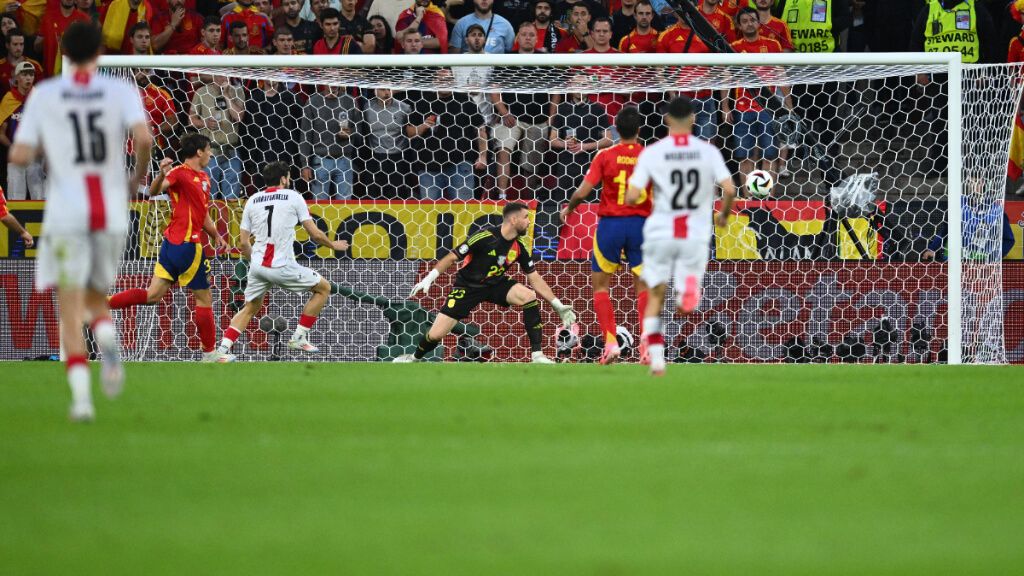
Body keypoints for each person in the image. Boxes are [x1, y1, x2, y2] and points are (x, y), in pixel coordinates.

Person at [10, 22, 153, 420]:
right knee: (94, 295)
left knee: (70, 305)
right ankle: (107, 339)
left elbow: (20, 155)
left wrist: (44, 149)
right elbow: (143, 140)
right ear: (100, 52)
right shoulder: (121, 90)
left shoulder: (46, 93)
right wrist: (136, 179)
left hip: (66, 213)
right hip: (109, 210)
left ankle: (82, 400)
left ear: (64, 52)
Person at [626, 95, 736, 377]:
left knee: (654, 295)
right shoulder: (707, 151)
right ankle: (688, 292)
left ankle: (657, 360)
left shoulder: (653, 152)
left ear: (666, 120)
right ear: (693, 119)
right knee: (686, 292)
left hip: (661, 231)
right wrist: (722, 215)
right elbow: (731, 189)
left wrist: (642, 197)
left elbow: (632, 194)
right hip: (695, 235)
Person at [396, 202, 577, 363]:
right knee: (435, 335)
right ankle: (414, 358)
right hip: (467, 287)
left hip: (495, 285)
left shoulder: (519, 247)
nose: (529, 222)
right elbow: (452, 257)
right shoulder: (484, 237)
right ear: (513, 220)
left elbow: (535, 278)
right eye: (525, 217)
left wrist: (557, 304)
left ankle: (537, 355)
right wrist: (429, 277)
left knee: (528, 296)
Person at [107, 132, 231, 360]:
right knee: (204, 299)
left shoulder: (204, 178)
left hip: (171, 245)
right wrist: (160, 174)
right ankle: (210, 353)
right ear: (199, 152)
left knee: (153, 295)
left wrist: (215, 234)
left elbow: (202, 213)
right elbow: (154, 192)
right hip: (188, 245)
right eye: (209, 149)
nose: (211, 154)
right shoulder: (178, 173)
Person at [215, 161, 350, 357]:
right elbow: (315, 234)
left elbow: (243, 243)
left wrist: (256, 264)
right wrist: (333, 245)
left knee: (250, 307)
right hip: (282, 266)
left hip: (258, 265)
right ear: (283, 179)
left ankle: (221, 351)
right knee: (323, 288)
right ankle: (299, 337)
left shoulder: (253, 200)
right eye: (288, 176)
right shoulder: (294, 197)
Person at [560, 107, 651, 364]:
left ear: (615, 130)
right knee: (643, 287)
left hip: (611, 225)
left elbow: (584, 189)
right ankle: (645, 345)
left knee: (601, 286)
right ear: (639, 130)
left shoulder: (605, 155)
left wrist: (570, 207)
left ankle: (610, 343)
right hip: (641, 226)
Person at [722, 7, 792, 183]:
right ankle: (748, 201)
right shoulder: (733, 48)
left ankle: (768, 200)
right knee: (745, 157)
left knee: (770, 155)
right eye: (744, 21)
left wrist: (789, 106)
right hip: (742, 109)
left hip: (768, 109)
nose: (749, 24)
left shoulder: (772, 45)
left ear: (759, 22)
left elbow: (781, 75)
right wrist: (725, 106)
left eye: (752, 20)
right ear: (739, 25)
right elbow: (726, 78)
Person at [491, 22, 557, 199]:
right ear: (517, 38)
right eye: (524, 34)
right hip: (511, 117)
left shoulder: (545, 60)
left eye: (531, 35)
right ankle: (502, 196)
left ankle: (529, 198)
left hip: (539, 119)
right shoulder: (506, 59)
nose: (528, 37)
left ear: (537, 39)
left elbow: (556, 91)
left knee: (531, 164)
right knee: (503, 148)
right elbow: (494, 90)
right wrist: (504, 112)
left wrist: (551, 118)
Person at [411, 79, 487, 200]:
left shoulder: (465, 100)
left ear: (453, 81)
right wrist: (423, 126)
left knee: (463, 210)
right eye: (440, 79)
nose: (444, 82)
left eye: (447, 79)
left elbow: (480, 129)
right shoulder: (423, 102)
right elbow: (409, 132)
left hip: (460, 164)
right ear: (434, 81)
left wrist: (483, 155)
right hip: (429, 166)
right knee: (428, 212)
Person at [549, 88, 613, 204]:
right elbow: (552, 140)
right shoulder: (562, 109)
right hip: (566, 165)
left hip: (590, 165)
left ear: (589, 87)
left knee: (591, 206)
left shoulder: (597, 109)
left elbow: (608, 140)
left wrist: (584, 146)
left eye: (583, 84)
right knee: (562, 205)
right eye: (576, 84)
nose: (579, 88)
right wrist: (565, 144)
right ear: (570, 87)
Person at [300, 83, 361, 199]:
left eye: (337, 79)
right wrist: (305, 164)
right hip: (321, 160)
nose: (334, 83)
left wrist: (350, 132)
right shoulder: (313, 102)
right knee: (320, 204)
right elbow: (305, 135)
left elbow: (360, 129)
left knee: (345, 206)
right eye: (331, 79)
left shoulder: (349, 101)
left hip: (344, 160)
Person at [188, 74, 244, 198]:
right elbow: (191, 120)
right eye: (220, 76)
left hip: (231, 151)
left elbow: (238, 116)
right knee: (207, 196)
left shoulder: (237, 91)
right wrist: (205, 123)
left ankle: (229, 217)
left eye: (226, 76)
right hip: (209, 152)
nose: (224, 79)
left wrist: (227, 96)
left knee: (231, 197)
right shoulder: (202, 92)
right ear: (213, 76)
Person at [1, 61, 43, 199]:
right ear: (17, 77)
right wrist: (13, 146)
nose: (29, 78)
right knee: (15, 198)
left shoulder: (39, 98)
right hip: (15, 156)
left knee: (39, 196)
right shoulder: (9, 99)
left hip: (35, 155)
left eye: (31, 74)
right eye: (24, 74)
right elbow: (1, 133)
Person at [364, 87, 414, 199]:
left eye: (389, 89)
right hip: (375, 157)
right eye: (382, 89)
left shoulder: (404, 108)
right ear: (375, 91)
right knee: (373, 196)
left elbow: (410, 132)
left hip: (398, 158)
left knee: (398, 197)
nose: (387, 93)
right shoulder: (367, 108)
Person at [36, 0, 90, 77]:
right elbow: (36, 47)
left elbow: (90, 49)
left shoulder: (84, 19)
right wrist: (51, 39)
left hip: (74, 73)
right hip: (50, 74)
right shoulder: (48, 18)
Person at [449, 0, 515, 54]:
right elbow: (454, 56)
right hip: (469, 69)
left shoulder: (505, 25)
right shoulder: (461, 24)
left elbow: (511, 53)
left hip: (496, 69)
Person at [0, 29, 42, 99]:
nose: (19, 48)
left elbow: (41, 92)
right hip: (5, 107)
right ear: (7, 45)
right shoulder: (1, 66)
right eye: (15, 44)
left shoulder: (35, 66)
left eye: (21, 44)